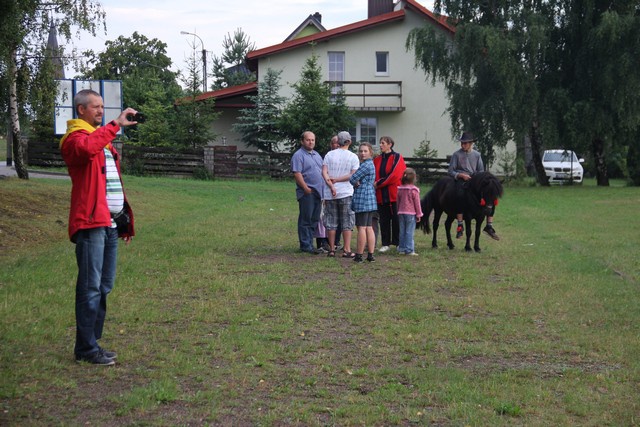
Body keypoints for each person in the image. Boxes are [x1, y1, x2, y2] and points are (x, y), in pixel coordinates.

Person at [60, 89, 136, 366]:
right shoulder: (75, 140)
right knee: (90, 286)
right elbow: (85, 149)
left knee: (104, 285)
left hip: (109, 223)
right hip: (90, 223)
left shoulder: (102, 142)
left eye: (103, 107)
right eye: (95, 107)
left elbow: (111, 182)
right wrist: (115, 126)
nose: (101, 111)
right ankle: (86, 348)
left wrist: (123, 220)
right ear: (81, 109)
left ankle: (92, 343)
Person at [448, 131, 499, 240]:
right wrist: (460, 175)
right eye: (462, 143)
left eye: (465, 143)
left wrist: (476, 178)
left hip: (474, 180)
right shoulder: (456, 155)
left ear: (471, 143)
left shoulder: (477, 155)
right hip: (461, 180)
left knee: (490, 196)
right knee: (459, 195)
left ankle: (489, 225)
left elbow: (481, 170)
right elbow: (451, 171)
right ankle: (460, 224)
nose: (463, 145)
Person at [334, 142, 377, 263]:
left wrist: (356, 182)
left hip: (363, 197)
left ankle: (359, 255)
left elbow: (352, 178)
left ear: (370, 152)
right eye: (361, 151)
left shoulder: (365, 166)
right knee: (369, 227)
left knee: (362, 227)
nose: (362, 153)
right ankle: (370, 254)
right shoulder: (371, 164)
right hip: (370, 197)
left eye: (365, 151)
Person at [322, 131, 360, 258]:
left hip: (330, 193)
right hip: (346, 192)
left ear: (338, 141)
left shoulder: (329, 155)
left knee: (331, 221)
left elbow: (324, 173)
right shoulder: (353, 157)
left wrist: (332, 185)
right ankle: (347, 249)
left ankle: (331, 249)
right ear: (349, 141)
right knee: (347, 221)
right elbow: (353, 175)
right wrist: (338, 180)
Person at [291, 131, 325, 254]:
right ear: (302, 141)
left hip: (318, 192)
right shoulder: (298, 155)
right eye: (308, 140)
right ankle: (305, 245)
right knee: (306, 219)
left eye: (313, 140)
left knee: (314, 219)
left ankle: (309, 243)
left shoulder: (316, 155)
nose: (311, 142)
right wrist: (305, 188)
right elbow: (297, 173)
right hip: (307, 192)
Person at [374, 136, 406, 253]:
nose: (380, 145)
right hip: (381, 195)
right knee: (383, 219)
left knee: (396, 219)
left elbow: (396, 175)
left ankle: (397, 243)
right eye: (380, 143)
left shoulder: (397, 157)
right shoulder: (377, 159)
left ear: (390, 144)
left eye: (383, 143)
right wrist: (377, 184)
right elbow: (374, 174)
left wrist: (379, 183)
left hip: (394, 195)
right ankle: (385, 243)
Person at [396, 168, 423, 255]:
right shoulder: (414, 190)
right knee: (409, 232)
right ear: (414, 178)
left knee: (402, 231)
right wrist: (419, 214)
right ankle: (409, 249)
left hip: (401, 212)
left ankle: (402, 248)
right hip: (411, 214)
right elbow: (417, 203)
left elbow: (398, 202)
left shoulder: (400, 189)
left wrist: (398, 210)